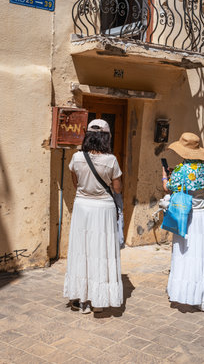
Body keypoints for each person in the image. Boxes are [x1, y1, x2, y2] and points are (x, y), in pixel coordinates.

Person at [64, 119, 123, 314]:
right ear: (106, 138)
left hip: (82, 206)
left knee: (81, 250)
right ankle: (99, 300)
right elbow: (117, 188)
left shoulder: (77, 157)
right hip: (103, 209)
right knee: (101, 251)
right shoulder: (111, 160)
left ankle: (80, 298)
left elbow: (76, 183)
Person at [162, 132, 204, 311]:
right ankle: (202, 297)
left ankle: (184, 293)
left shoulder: (181, 170)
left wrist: (164, 175)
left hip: (187, 215)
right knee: (201, 253)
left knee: (185, 252)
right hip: (202, 214)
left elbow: (167, 187)